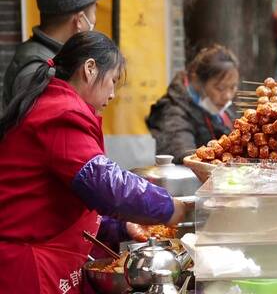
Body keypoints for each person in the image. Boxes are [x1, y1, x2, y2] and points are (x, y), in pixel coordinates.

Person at [0, 31, 190, 293]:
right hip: (29, 268)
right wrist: (173, 208)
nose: (112, 94)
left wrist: (121, 226)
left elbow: (74, 197)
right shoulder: (60, 113)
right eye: (112, 80)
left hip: (46, 258)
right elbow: (108, 186)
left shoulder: (54, 105)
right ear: (89, 69)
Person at [2, 0, 104, 111]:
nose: (95, 21)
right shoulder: (38, 73)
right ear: (80, 20)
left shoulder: (56, 58)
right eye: (94, 12)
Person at [147, 45, 239, 163]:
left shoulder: (221, 111)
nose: (228, 96)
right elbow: (182, 154)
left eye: (233, 87)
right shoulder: (172, 111)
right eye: (220, 88)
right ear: (198, 82)